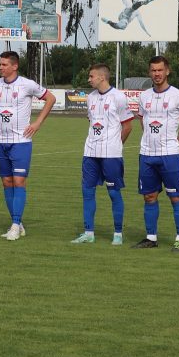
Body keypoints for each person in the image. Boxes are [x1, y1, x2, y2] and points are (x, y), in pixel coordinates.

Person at [0, 50, 56, 240]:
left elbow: (50, 98)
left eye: (4, 64)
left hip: (21, 142)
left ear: (15, 66)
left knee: (19, 181)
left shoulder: (27, 84)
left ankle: (15, 225)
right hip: (1, 142)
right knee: (7, 182)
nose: (0, 67)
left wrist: (37, 123)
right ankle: (17, 224)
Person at [132, 55, 179, 252]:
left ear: (167, 71)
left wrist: (176, 143)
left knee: (175, 197)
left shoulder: (178, 96)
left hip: (169, 156)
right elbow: (142, 120)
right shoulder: (144, 96)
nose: (157, 74)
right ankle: (151, 237)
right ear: (149, 72)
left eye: (160, 70)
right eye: (153, 70)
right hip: (147, 155)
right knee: (149, 196)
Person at [71, 63, 133, 246]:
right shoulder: (90, 97)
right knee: (87, 192)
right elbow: (92, 122)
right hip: (90, 152)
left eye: (91, 76)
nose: (89, 79)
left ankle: (118, 234)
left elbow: (128, 126)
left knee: (113, 193)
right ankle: (88, 233)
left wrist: (115, 145)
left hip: (111, 155)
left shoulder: (118, 97)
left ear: (102, 77)